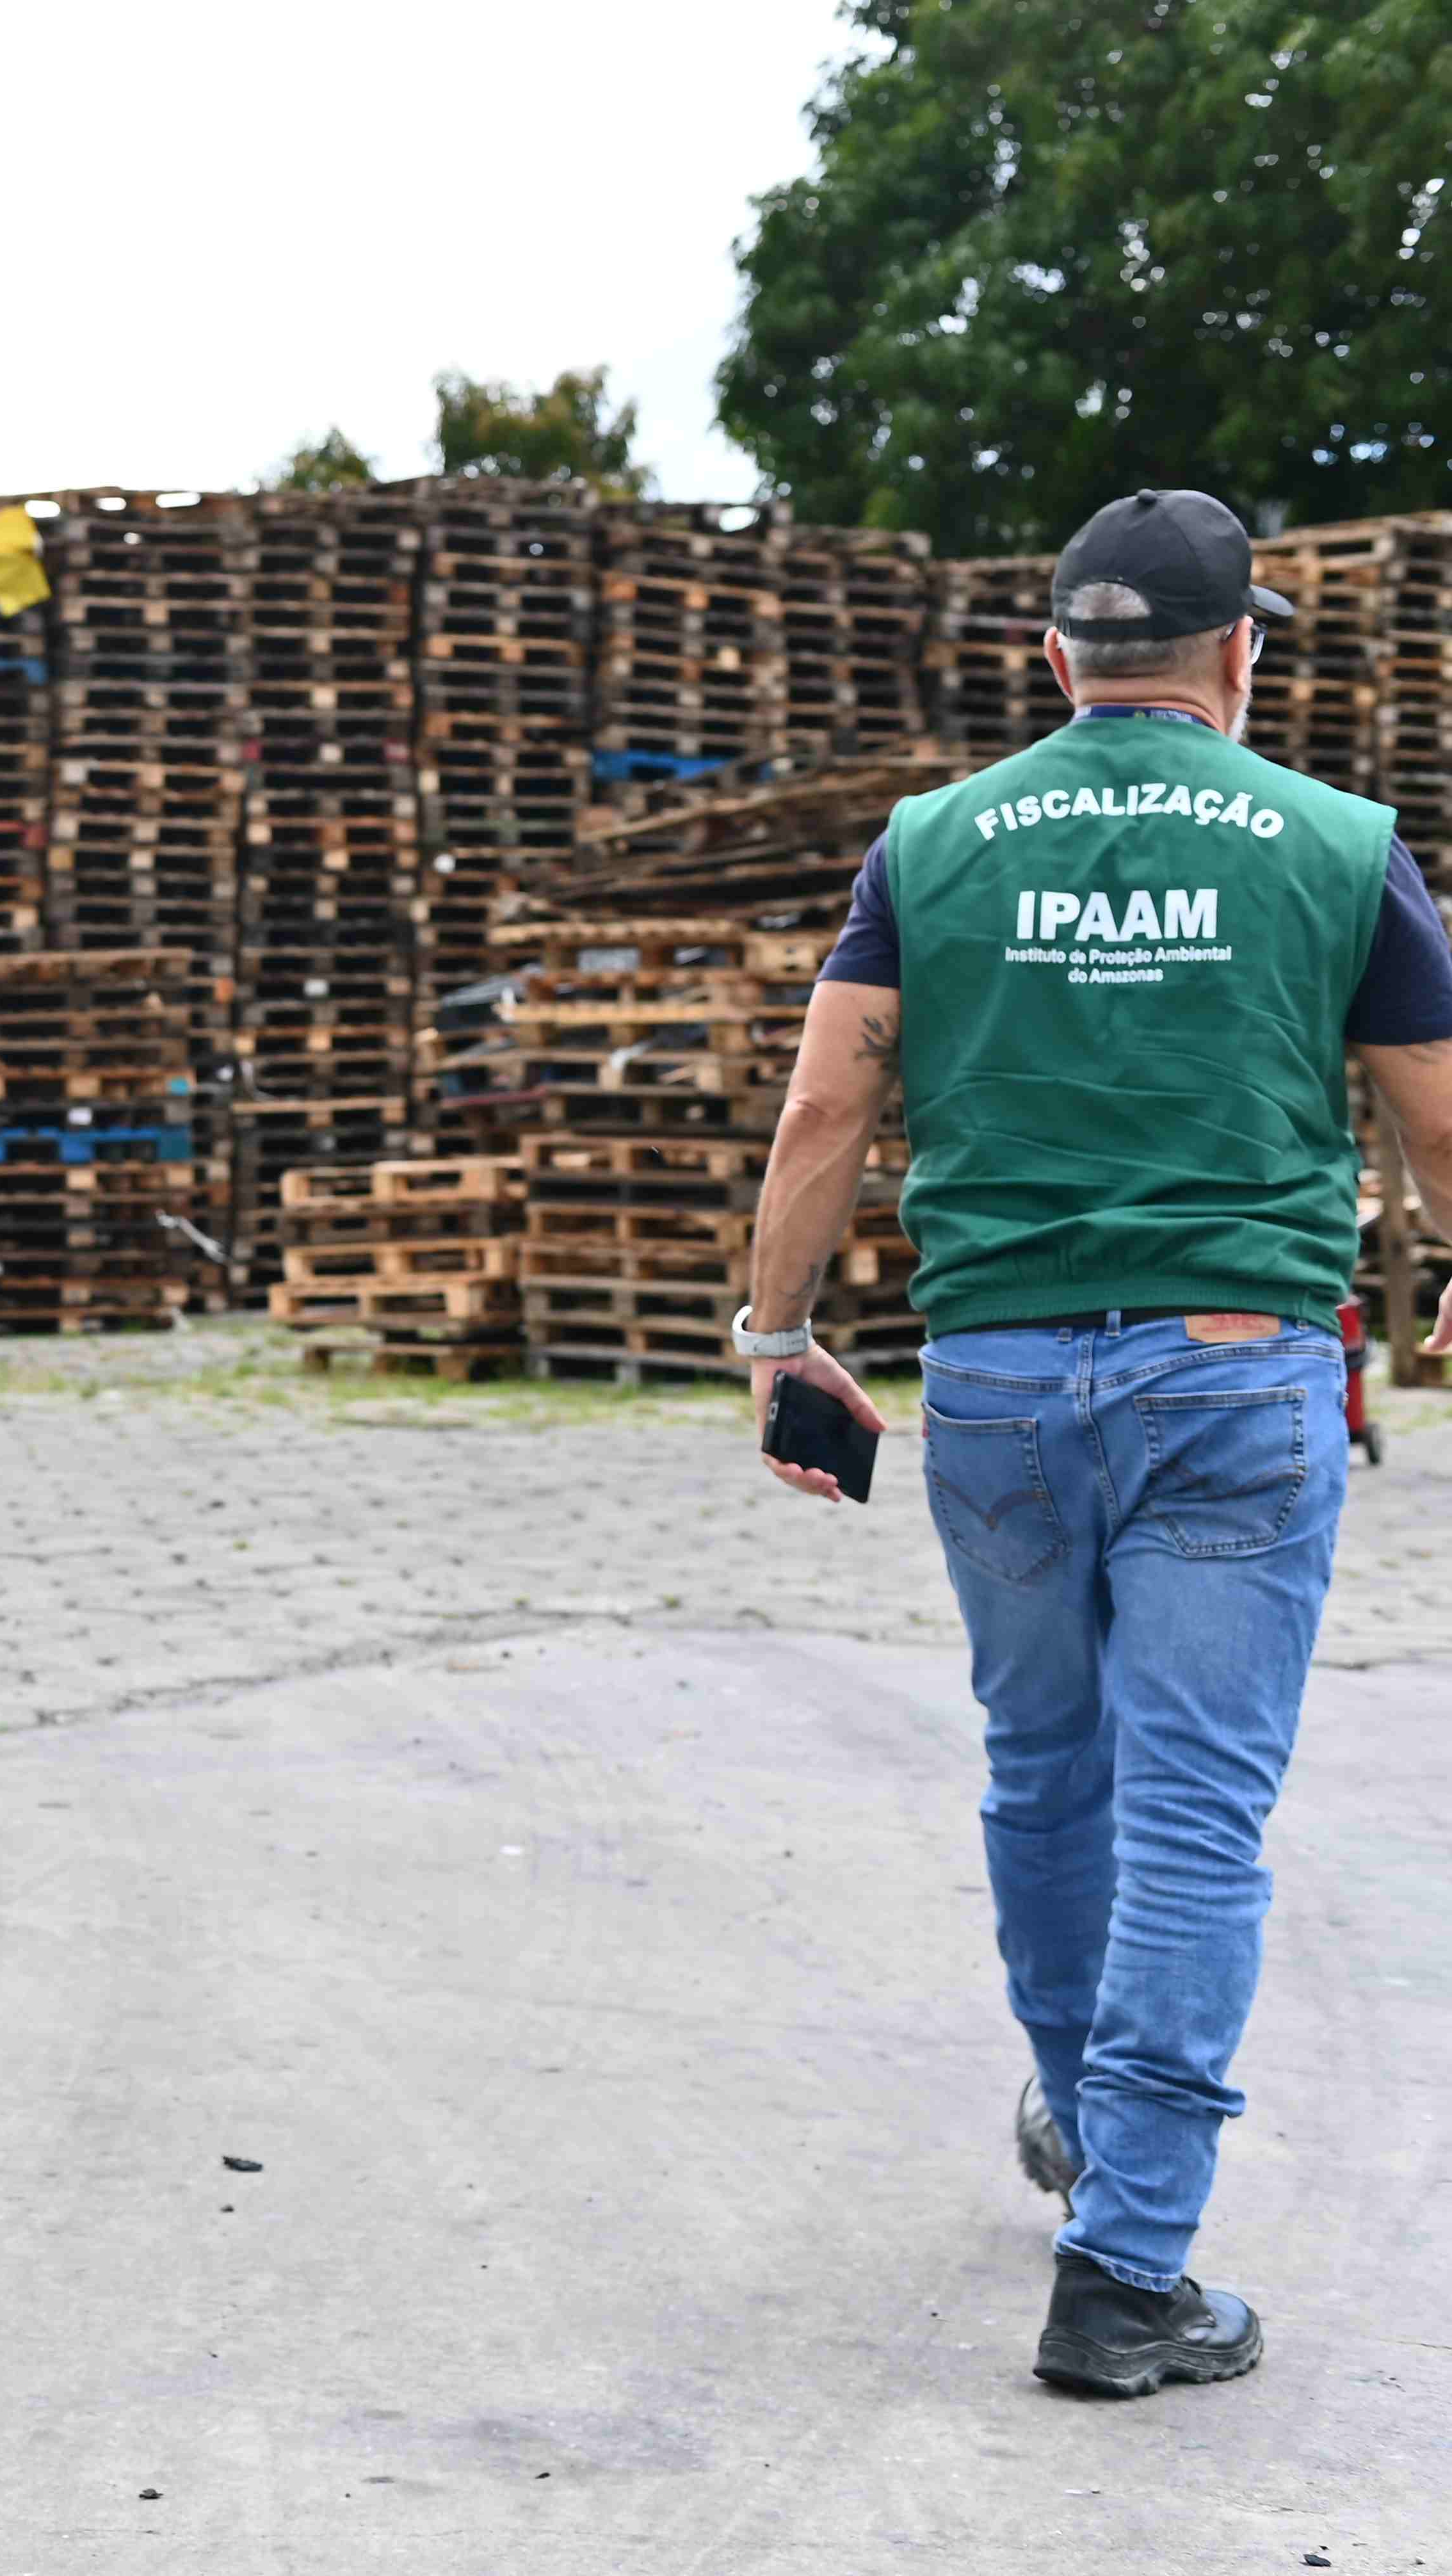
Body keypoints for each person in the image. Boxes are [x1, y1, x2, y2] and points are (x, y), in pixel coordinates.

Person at [741, 487, 1452, 2399]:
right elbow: (1437, 1119)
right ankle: (1129, 2264)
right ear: (1240, 655)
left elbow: (825, 1115)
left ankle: (1076, 2114)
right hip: (1236, 1377)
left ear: (1061, 656)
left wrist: (780, 1335)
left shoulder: (933, 845)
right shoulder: (1342, 848)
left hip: (999, 1385)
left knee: (1049, 1775)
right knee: (1198, 1814)